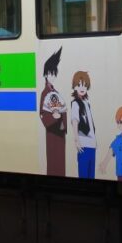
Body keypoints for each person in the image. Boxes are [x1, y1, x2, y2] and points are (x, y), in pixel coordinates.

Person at [39, 48, 67, 176]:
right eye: (50, 74)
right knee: (54, 161)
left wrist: (61, 118)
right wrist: (55, 117)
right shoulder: (45, 93)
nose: (53, 76)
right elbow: (42, 114)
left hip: (59, 133)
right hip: (52, 133)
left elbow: (62, 109)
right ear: (45, 75)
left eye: (54, 74)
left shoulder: (54, 92)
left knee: (60, 160)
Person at [69, 70, 97, 179]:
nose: (82, 88)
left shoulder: (87, 103)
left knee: (91, 174)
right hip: (83, 145)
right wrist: (76, 140)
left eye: (85, 85)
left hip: (92, 145)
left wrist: (95, 142)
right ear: (75, 86)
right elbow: (74, 121)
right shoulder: (76, 103)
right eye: (79, 85)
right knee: (84, 173)